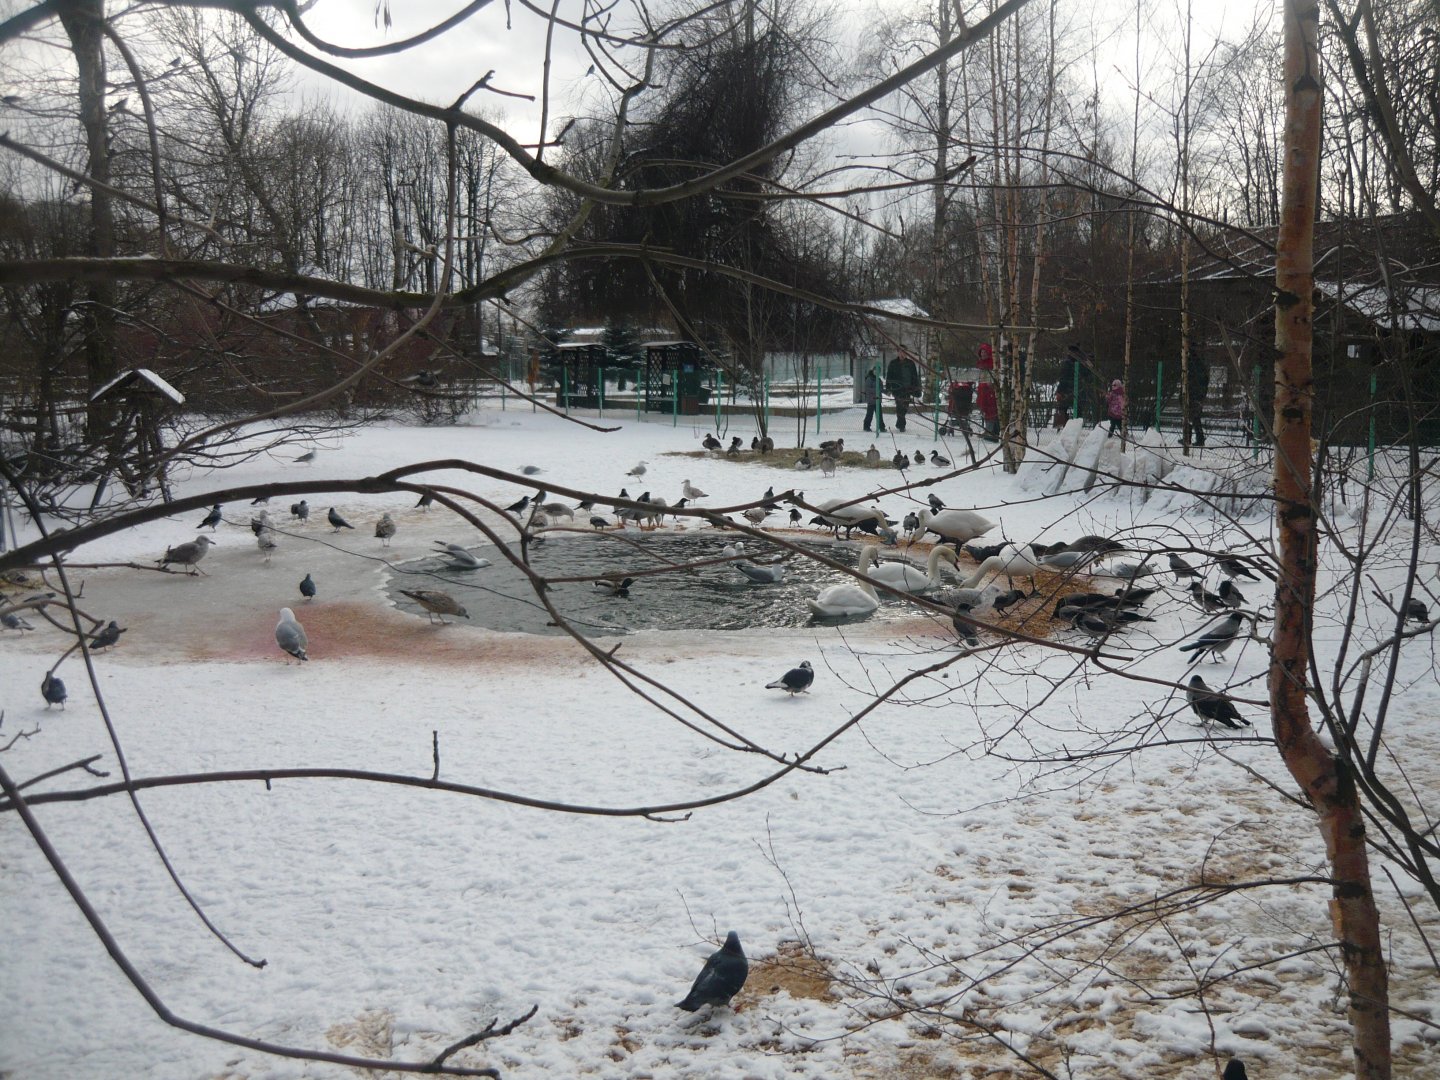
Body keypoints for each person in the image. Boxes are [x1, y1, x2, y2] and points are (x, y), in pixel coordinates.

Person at [886, 352, 921, 433]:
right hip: (897, 389)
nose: (902, 355)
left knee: (905, 407)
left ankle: (899, 423)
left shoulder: (910, 363)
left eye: (904, 353)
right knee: (899, 406)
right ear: (898, 353)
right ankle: (902, 425)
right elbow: (889, 376)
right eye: (901, 353)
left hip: (907, 389)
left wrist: (916, 388)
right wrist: (888, 387)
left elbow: (915, 376)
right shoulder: (893, 363)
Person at [1186, 348, 1209, 447]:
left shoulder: (1192, 365)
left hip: (1194, 394)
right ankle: (1196, 438)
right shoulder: (1199, 364)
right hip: (1199, 394)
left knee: (1192, 416)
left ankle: (1191, 438)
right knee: (1195, 417)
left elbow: (1193, 379)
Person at [862, 365, 886, 433]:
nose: (877, 372)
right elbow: (868, 389)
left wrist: (886, 391)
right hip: (871, 400)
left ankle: (882, 427)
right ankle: (866, 426)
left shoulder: (878, 379)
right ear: (873, 371)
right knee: (869, 414)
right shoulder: (869, 379)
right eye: (875, 371)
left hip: (878, 400)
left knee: (879, 415)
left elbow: (881, 389)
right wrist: (877, 390)